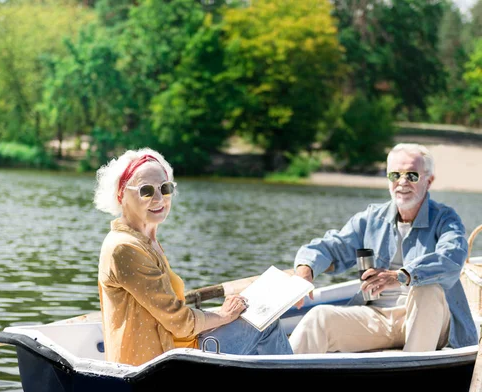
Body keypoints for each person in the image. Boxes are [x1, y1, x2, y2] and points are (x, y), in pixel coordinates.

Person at [93, 147, 293, 366]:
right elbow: (180, 322)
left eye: (165, 188)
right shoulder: (125, 247)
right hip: (161, 365)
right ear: (121, 196)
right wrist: (224, 315)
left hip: (178, 347)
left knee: (258, 322)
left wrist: (222, 314)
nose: (159, 198)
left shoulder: (145, 240)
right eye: (146, 191)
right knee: (267, 325)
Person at [289, 143, 478, 354]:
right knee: (319, 318)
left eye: (412, 176)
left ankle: (412, 372)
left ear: (429, 181)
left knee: (427, 289)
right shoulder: (371, 218)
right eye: (395, 175)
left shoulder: (445, 219)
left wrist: (401, 276)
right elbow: (331, 247)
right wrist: (305, 269)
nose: (402, 182)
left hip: (433, 323)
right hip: (379, 316)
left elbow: (451, 258)